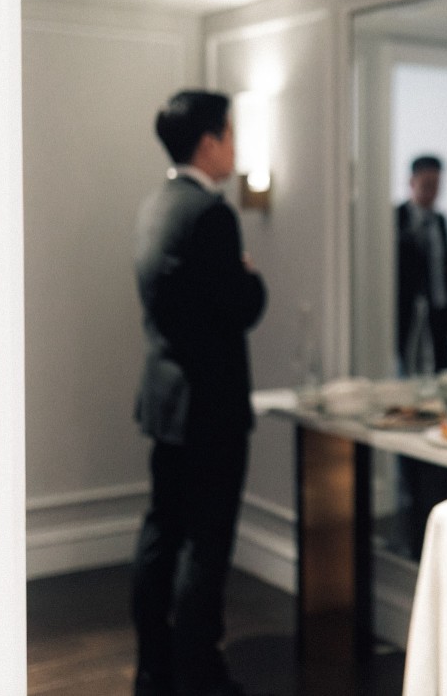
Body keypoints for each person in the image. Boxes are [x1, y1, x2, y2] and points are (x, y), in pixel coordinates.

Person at [131, 90, 267, 696]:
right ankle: (200, 672)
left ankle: (154, 665)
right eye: (231, 135)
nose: (235, 148)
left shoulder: (155, 206)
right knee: (207, 543)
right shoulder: (211, 214)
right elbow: (239, 307)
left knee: (162, 531)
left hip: (165, 401)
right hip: (211, 406)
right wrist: (251, 277)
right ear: (209, 142)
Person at [395, 155, 447, 375]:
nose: (433, 191)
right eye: (427, 184)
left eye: (437, 185)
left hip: (439, 313)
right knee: (408, 369)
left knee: (443, 369)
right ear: (413, 182)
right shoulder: (397, 218)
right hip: (408, 314)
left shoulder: (440, 221)